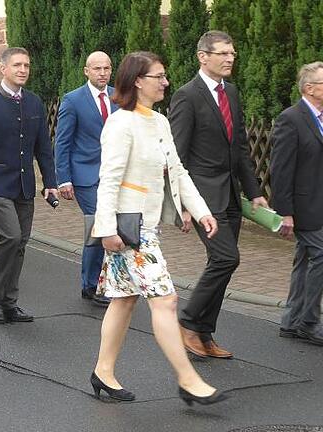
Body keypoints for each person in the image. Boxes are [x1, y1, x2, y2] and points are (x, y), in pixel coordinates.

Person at [90, 51, 226, 406]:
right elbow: (108, 180)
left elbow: (177, 172)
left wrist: (200, 211)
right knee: (165, 300)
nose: (166, 82)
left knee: (123, 301)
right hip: (128, 231)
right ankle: (188, 379)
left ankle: (103, 371)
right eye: (159, 76)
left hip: (145, 227)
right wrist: (106, 229)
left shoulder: (160, 121)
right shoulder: (120, 124)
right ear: (138, 80)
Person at [169, 30, 268, 359]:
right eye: (223, 53)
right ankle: (186, 320)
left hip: (230, 195)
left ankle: (204, 332)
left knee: (222, 263)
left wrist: (254, 193)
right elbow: (176, 156)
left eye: (232, 54)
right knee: (227, 258)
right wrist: (182, 205)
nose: (230, 59)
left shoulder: (232, 92)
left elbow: (239, 147)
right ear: (203, 56)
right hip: (202, 198)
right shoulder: (187, 96)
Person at [0, 47, 57, 323]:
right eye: (17, 65)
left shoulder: (34, 103)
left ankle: (9, 302)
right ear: (2, 69)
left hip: (24, 185)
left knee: (20, 244)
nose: (23, 70)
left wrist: (50, 183)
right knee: (11, 237)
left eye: (27, 65)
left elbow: (43, 148)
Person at [54, 51, 117, 308]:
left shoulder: (119, 97)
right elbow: (62, 142)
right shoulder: (73, 100)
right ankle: (90, 284)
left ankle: (108, 280)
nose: (103, 73)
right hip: (85, 176)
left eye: (107, 68)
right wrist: (63, 179)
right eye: (97, 68)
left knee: (112, 227)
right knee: (98, 225)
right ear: (86, 71)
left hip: (114, 176)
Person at [271, 62, 323, 346]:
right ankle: (309, 322)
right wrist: (285, 212)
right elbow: (280, 169)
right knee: (321, 254)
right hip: (303, 207)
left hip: (319, 203)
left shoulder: (321, 117)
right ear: (310, 88)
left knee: (305, 259)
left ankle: (291, 321)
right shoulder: (291, 118)